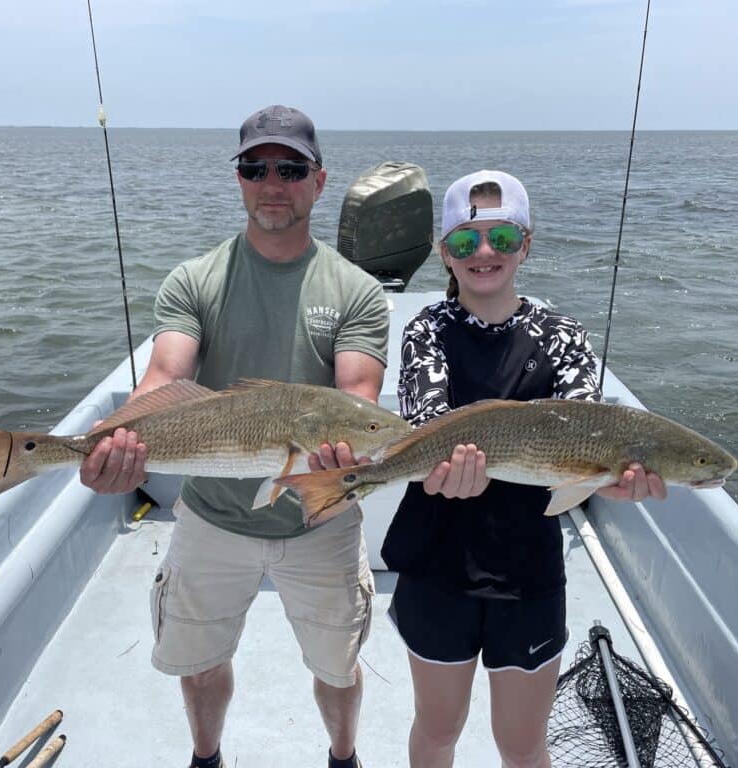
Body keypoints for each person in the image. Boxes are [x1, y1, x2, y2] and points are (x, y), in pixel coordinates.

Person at [79, 105, 387, 768]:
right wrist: (110, 444)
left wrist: (343, 450)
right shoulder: (195, 280)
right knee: (199, 661)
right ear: (240, 179)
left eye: (289, 167)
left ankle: (343, 755)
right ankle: (206, 757)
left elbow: (359, 397)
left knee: (338, 667)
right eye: (255, 166)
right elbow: (164, 376)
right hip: (213, 516)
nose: (271, 180)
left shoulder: (357, 290)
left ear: (319, 180)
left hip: (321, 518)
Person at [380, 169, 667, 768]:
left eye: (502, 238)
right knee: (436, 729)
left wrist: (617, 482)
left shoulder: (562, 336)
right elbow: (433, 426)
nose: (484, 253)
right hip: (438, 564)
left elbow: (589, 435)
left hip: (527, 574)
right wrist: (441, 469)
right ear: (445, 255)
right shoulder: (426, 333)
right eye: (466, 242)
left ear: (525, 244)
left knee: (523, 744)